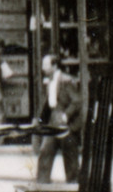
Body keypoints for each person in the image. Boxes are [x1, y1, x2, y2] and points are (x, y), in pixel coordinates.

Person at [34, 54, 80, 184]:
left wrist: (66, 115)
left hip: (64, 122)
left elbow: (76, 101)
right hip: (53, 120)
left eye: (45, 65)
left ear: (54, 66)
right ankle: (42, 183)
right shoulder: (49, 80)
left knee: (70, 155)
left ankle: (74, 184)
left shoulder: (66, 80)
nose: (43, 68)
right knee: (45, 152)